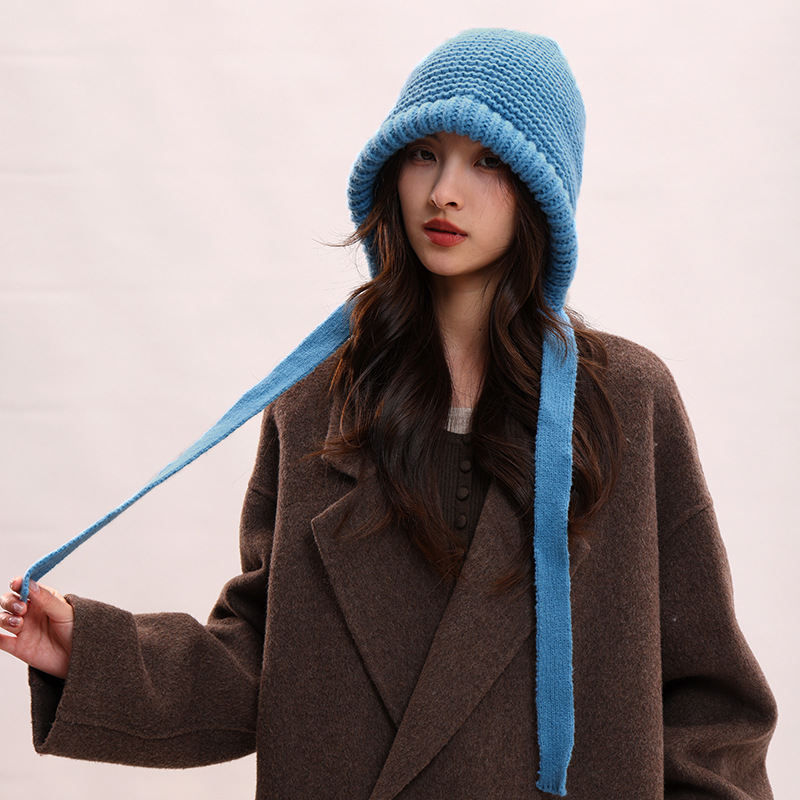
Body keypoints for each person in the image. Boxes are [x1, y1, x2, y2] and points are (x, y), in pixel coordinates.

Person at [0, 28, 776, 799]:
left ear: (543, 190)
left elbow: (713, 710)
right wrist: (91, 655)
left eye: (488, 161)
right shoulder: (316, 402)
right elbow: (264, 662)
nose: (444, 191)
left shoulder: (625, 403)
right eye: (423, 154)